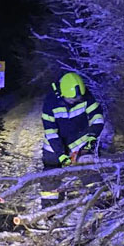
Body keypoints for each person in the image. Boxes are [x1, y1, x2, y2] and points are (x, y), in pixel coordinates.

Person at [40, 72, 105, 207]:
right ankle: (49, 208)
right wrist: (61, 155)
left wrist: (92, 136)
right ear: (62, 94)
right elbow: (51, 132)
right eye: (71, 99)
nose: (75, 101)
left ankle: (100, 201)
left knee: (89, 169)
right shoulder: (50, 103)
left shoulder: (86, 96)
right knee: (50, 175)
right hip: (54, 145)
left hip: (79, 140)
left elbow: (97, 117)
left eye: (78, 98)